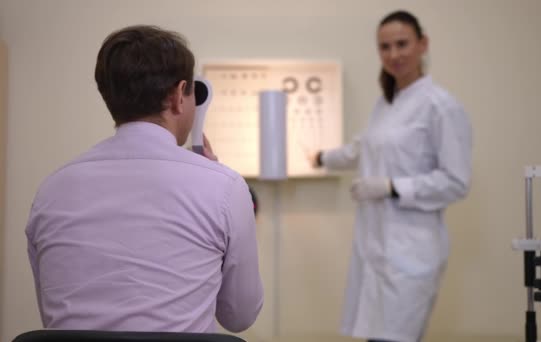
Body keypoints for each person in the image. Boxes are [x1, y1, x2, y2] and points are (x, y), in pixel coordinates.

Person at [26, 25, 263, 333]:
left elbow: (56, 318)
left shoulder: (52, 189)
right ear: (180, 96)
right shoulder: (224, 187)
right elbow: (239, 317)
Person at [312, 10, 472, 342]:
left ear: (422, 44)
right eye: (385, 47)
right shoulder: (386, 104)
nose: (394, 54)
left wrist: (390, 187)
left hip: (411, 253)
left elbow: (456, 181)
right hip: (375, 247)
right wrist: (320, 157)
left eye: (402, 44)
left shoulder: (440, 106)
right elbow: (365, 146)